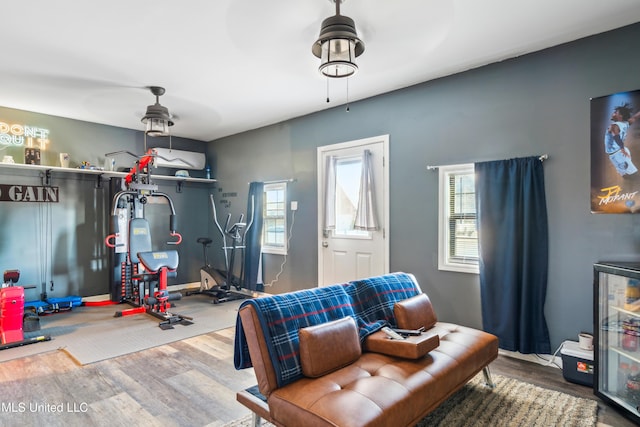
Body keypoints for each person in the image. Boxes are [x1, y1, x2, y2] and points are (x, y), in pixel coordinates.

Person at [604, 103, 640, 177]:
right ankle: (632, 187)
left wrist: (622, 149)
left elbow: (616, 137)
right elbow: (635, 117)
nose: (613, 114)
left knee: (633, 175)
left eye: (615, 112)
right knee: (625, 175)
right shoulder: (626, 123)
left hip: (618, 153)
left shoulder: (613, 126)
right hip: (618, 153)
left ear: (620, 116)